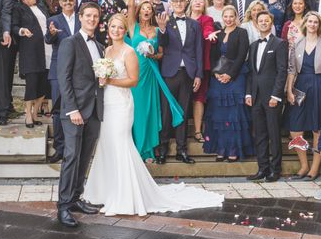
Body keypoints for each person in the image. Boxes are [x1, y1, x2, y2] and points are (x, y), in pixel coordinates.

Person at [83, 14, 224, 216]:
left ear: (126, 31)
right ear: (108, 29)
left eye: (120, 28)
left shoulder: (129, 51)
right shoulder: (106, 50)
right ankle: (106, 191)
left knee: (121, 144)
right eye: (113, 27)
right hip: (108, 103)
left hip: (122, 105)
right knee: (107, 145)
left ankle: (125, 195)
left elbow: (133, 81)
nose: (116, 30)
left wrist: (109, 82)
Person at [126, 0, 183, 160]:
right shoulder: (132, 27)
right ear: (139, 10)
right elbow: (129, 4)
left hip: (152, 72)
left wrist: (152, 54)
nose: (147, 10)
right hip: (135, 73)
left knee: (151, 110)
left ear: (152, 11)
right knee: (138, 110)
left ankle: (149, 149)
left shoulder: (157, 30)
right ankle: (136, 147)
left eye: (150, 8)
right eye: (144, 7)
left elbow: (160, 53)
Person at [56, 2, 104, 228]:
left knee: (84, 157)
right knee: (72, 157)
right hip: (74, 111)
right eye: (88, 16)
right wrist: (72, 109)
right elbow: (63, 78)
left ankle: (76, 198)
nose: (92, 19)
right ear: (80, 17)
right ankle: (63, 206)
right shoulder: (70, 43)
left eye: (95, 16)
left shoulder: (100, 47)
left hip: (94, 110)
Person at [287, 12, 321, 179]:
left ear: (319, 25)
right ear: (305, 24)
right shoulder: (296, 43)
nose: (312, 24)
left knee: (319, 128)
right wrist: (289, 90)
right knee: (295, 129)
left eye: (315, 22)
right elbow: (291, 70)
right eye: (309, 21)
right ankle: (304, 165)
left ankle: (315, 168)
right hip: (301, 87)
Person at [157, 0, 203, 164]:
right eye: (175, 1)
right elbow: (162, 45)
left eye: (181, 1)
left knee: (183, 112)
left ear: (186, 2)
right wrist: (161, 30)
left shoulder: (194, 24)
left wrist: (198, 75)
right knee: (166, 112)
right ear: (170, 3)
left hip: (188, 73)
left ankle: (181, 150)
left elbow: (199, 50)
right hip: (169, 72)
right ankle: (162, 150)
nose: (178, 4)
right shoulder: (165, 22)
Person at [203, 5, 252, 162]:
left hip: (235, 78)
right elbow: (212, 55)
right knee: (219, 115)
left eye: (232, 16)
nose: (229, 19)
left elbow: (242, 55)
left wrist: (230, 75)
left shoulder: (242, 32)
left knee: (234, 115)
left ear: (236, 17)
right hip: (217, 78)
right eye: (226, 16)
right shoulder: (218, 33)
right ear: (222, 17)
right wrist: (216, 74)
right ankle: (221, 148)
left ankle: (233, 148)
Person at [245, 11, 288, 181]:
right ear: (256, 24)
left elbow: (282, 71)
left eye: (266, 20)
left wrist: (276, 96)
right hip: (255, 96)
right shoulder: (253, 45)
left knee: (274, 133)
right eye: (260, 21)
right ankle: (262, 168)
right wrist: (248, 93)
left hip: (272, 97)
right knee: (260, 134)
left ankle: (275, 170)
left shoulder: (279, 44)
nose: (263, 23)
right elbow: (251, 73)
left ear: (271, 23)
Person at [45, 0, 80, 163]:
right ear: (59, 2)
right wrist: (51, 34)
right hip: (58, 70)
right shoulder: (53, 20)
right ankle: (59, 148)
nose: (68, 2)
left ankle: (75, 148)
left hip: (79, 70)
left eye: (70, 0)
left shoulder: (82, 19)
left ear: (75, 2)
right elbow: (48, 40)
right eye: (64, 0)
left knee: (78, 107)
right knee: (58, 110)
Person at [12, 0, 50, 128]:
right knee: (32, 84)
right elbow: (14, 26)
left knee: (43, 84)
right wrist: (22, 30)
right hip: (30, 51)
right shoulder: (19, 8)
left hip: (47, 49)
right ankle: (28, 114)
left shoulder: (41, 7)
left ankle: (35, 113)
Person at [187, 0, 217, 144]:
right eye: (195, 1)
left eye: (201, 2)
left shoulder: (206, 20)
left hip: (200, 65)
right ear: (190, 4)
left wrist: (209, 35)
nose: (198, 3)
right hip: (182, 65)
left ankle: (198, 131)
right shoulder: (182, 18)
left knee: (198, 98)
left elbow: (208, 31)